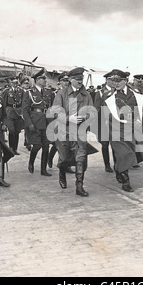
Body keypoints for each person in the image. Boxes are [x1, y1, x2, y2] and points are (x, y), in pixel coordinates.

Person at [49, 67, 97, 197]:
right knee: (64, 157)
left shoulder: (86, 94)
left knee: (81, 158)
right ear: (70, 80)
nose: (80, 81)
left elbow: (92, 111)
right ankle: (62, 172)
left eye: (81, 79)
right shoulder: (62, 93)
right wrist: (68, 118)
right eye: (77, 79)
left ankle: (79, 185)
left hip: (80, 131)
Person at [102, 69, 143, 192]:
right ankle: (126, 181)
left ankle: (119, 169)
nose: (116, 83)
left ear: (125, 81)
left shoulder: (136, 94)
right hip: (115, 129)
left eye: (119, 80)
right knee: (124, 153)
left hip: (132, 129)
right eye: (114, 80)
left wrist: (142, 126)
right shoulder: (108, 96)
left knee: (132, 153)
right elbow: (101, 113)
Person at [22, 69, 54, 177]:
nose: (45, 80)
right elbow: (25, 110)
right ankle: (31, 162)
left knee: (46, 146)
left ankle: (43, 169)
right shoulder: (30, 93)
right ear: (36, 80)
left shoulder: (48, 92)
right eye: (42, 78)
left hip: (46, 121)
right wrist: (29, 123)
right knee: (37, 145)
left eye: (45, 78)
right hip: (35, 121)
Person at [93, 71, 116, 173]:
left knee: (116, 144)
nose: (113, 82)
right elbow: (96, 108)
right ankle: (107, 165)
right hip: (104, 122)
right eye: (111, 80)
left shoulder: (117, 91)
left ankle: (117, 163)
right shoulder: (100, 93)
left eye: (115, 80)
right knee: (105, 144)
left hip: (115, 122)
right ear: (107, 80)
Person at [1, 76, 25, 155]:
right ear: (10, 83)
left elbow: (23, 102)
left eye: (16, 83)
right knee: (12, 130)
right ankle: (11, 148)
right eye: (13, 83)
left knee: (17, 131)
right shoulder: (7, 91)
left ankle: (15, 148)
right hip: (10, 112)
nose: (15, 84)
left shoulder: (21, 91)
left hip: (18, 112)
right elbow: (3, 103)